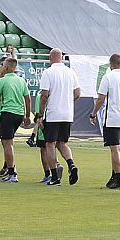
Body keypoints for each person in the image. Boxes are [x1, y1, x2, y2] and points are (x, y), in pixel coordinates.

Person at [37, 48, 80, 186]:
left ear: (50, 58)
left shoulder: (48, 72)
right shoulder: (71, 72)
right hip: (67, 114)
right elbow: (78, 93)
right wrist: (67, 100)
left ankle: (55, 176)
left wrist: (40, 115)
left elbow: (44, 95)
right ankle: (71, 164)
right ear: (61, 58)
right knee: (63, 143)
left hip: (53, 113)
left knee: (50, 144)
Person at [0, 57, 31, 182]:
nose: (2, 67)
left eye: (3, 65)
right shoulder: (21, 81)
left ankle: (11, 172)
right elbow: (28, 99)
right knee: (8, 143)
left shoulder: (2, 81)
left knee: (7, 143)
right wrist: (27, 116)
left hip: (7, 113)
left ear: (8, 67)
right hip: (19, 114)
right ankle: (9, 168)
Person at [92, 53, 120, 189]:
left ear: (111, 64)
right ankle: (114, 175)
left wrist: (93, 113)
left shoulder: (108, 77)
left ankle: (119, 178)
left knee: (114, 148)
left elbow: (101, 98)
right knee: (118, 147)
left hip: (112, 118)